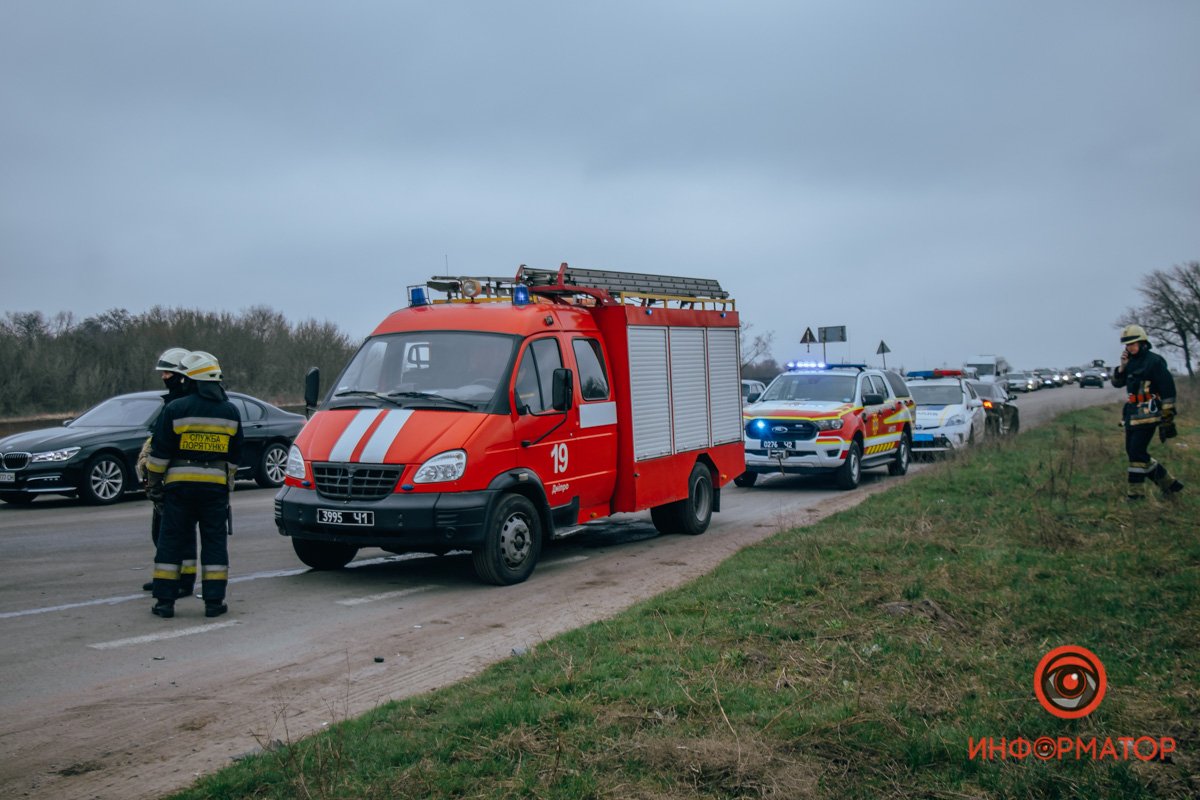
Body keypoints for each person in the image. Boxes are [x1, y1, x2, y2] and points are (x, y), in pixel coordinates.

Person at [144, 351, 243, 618]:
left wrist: (153, 483)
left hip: (180, 488)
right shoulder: (231, 412)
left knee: (171, 542)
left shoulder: (176, 409)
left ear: (192, 380)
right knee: (214, 542)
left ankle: (164, 603)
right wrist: (227, 483)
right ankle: (214, 603)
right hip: (214, 490)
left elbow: (159, 453)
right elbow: (234, 457)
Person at [138, 348, 198, 594]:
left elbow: (166, 443)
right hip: (169, 477)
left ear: (182, 375)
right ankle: (170, 579)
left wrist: (153, 474)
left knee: (175, 534)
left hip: (176, 479)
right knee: (163, 533)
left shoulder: (181, 405)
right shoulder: (173, 402)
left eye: (168, 373)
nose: (163, 377)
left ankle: (180, 582)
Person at [1110, 324, 1183, 500]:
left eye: (1133, 344)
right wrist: (1122, 367)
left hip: (1149, 414)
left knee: (1136, 452)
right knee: (1135, 452)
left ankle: (1135, 495)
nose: (1130, 347)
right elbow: (1117, 383)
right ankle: (1170, 485)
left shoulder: (1155, 361)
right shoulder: (1130, 362)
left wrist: (1167, 418)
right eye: (1127, 345)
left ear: (1143, 342)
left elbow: (1168, 390)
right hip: (1131, 415)